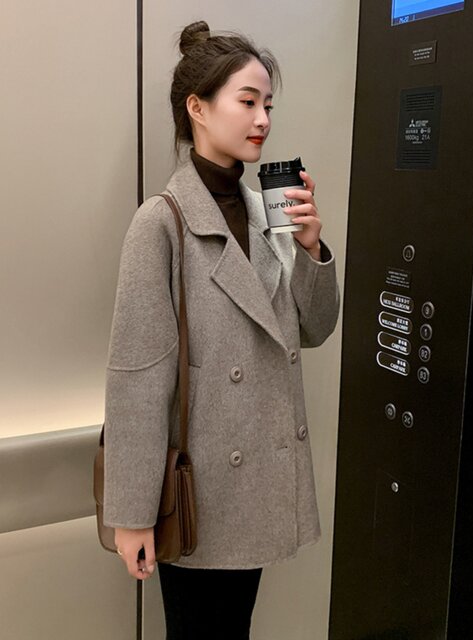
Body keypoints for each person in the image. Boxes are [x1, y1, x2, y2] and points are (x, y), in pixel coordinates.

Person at [103, 20, 340, 640]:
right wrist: (132, 514)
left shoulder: (267, 212)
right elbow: (137, 381)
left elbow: (314, 329)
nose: (262, 119)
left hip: (258, 484)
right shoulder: (161, 223)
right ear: (198, 107)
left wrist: (311, 249)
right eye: (247, 101)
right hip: (200, 493)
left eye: (268, 105)